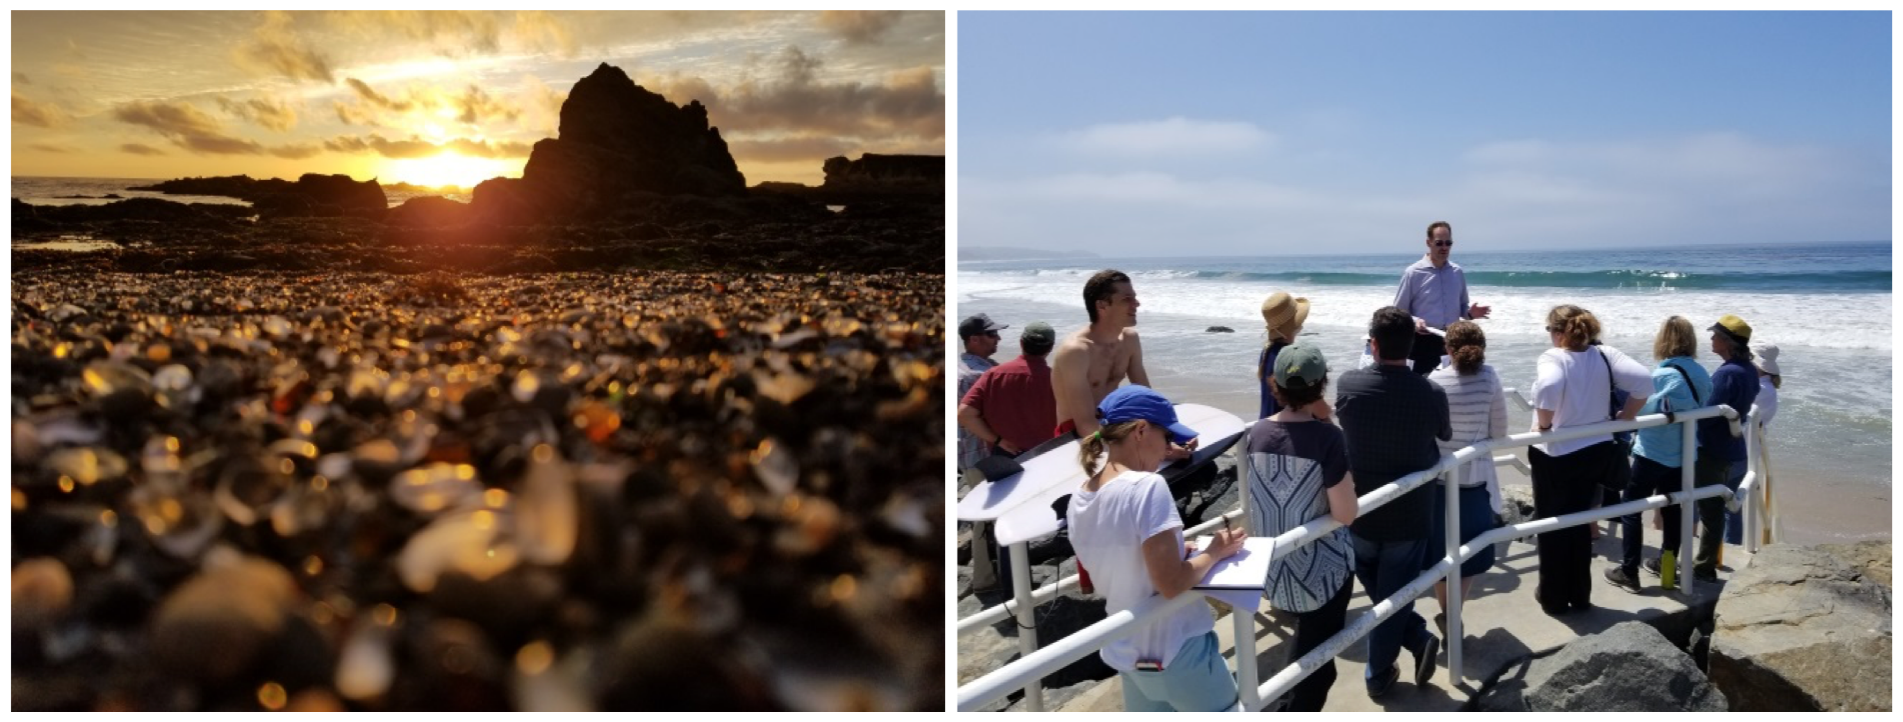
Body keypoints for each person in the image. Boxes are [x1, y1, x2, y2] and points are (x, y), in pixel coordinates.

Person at [1066, 385, 1246, 711]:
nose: (1168, 447)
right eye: (1165, 437)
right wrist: (1216, 551)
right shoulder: (1147, 486)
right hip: (1177, 647)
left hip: (1127, 648)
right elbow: (1171, 584)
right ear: (1141, 430)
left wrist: (1177, 547)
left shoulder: (1080, 495)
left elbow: (1120, 557)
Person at [1335, 306, 1450, 697]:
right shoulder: (1431, 390)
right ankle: (1406, 646)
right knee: (1393, 595)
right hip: (1411, 512)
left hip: (1361, 509)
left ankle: (1383, 670)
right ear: (1414, 344)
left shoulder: (1350, 384)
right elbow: (1444, 433)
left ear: (1373, 344)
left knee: (1385, 593)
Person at [1243, 342, 1357, 712]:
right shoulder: (1327, 438)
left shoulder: (1256, 433)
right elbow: (1345, 513)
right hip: (1320, 573)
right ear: (1321, 385)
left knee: (1308, 651)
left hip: (1274, 571)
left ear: (1274, 385)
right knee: (1317, 670)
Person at [1527, 305, 1649, 615]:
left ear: (1557, 333)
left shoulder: (1554, 357)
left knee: (1552, 527)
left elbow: (1549, 387)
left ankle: (1553, 598)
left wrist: (1543, 426)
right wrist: (1626, 417)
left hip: (1556, 454)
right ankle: (1580, 596)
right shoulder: (1605, 354)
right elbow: (1645, 382)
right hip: (1595, 450)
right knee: (1580, 524)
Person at [1603, 316, 1712, 594]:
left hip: (1653, 453)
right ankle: (1666, 568)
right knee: (1673, 509)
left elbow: (1640, 410)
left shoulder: (1664, 375)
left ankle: (1629, 571)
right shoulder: (1701, 374)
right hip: (1684, 455)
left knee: (1630, 507)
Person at [1052, 271, 1193, 460]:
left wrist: (1170, 436)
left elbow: (1146, 399)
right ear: (1102, 305)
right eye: (1127, 299)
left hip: (1114, 426)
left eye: (1134, 298)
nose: (1137, 304)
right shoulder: (1076, 352)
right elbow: (1085, 426)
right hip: (1078, 438)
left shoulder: (1129, 339)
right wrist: (1157, 450)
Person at [1424, 320, 1506, 635]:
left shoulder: (1435, 381)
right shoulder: (1489, 378)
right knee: (1469, 555)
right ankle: (1452, 614)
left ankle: (1448, 614)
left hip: (1441, 480)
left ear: (1448, 348)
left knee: (1443, 555)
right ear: (1482, 347)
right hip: (1475, 480)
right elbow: (1499, 431)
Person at [1698, 315, 1760, 566]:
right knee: (1726, 508)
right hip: (1734, 447)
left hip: (1714, 447)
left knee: (1709, 511)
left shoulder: (1728, 374)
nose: (1711, 339)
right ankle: (1716, 559)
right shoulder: (1749, 370)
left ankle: (1704, 565)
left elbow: (1708, 414)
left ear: (1727, 342)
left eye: (1716, 335)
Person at [1393, 221, 1491, 375]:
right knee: (1424, 389)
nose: (1444, 247)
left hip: (1452, 341)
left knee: (1451, 389)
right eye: (1439, 243)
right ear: (1429, 243)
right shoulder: (1413, 273)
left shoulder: (1457, 272)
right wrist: (1415, 321)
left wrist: (1471, 313)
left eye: (1448, 243)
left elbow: (1463, 307)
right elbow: (1399, 311)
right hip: (1422, 341)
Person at [958, 322, 1059, 457]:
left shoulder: (994, 374)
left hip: (1005, 455)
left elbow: (965, 414)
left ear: (1021, 343)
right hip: (1046, 454)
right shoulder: (1058, 380)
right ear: (1051, 347)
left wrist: (998, 440)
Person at [957, 313, 1008, 473]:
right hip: (981, 455)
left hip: (968, 451)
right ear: (974, 339)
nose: (998, 338)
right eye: (992, 334)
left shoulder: (960, 363)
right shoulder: (977, 375)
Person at [1255, 291, 1310, 419]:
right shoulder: (1291, 357)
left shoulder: (1267, 351)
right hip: (1286, 430)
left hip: (1266, 423)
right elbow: (1317, 407)